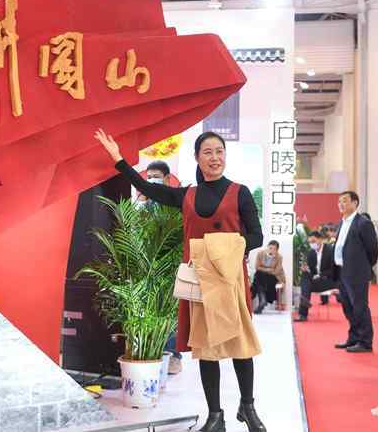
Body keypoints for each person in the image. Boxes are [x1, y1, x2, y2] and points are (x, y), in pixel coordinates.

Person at [94, 129, 266, 432]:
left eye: (219, 151)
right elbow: (146, 187)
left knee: (240, 345)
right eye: (208, 152)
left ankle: (247, 406)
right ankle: (216, 416)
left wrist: (222, 248)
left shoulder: (240, 192)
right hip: (199, 281)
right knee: (206, 349)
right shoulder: (187, 195)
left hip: (230, 281)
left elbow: (256, 236)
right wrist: (118, 159)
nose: (215, 157)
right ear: (197, 158)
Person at [139, 160, 185, 374]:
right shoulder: (145, 205)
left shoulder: (177, 202)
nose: (151, 181)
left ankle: (173, 355)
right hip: (150, 265)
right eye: (148, 177)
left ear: (167, 179)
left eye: (155, 176)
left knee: (171, 311)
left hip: (172, 264)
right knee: (152, 309)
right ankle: (154, 353)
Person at [333, 191, 378, 353]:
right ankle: (353, 338)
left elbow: (373, 249)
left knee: (360, 307)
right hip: (342, 271)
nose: (341, 204)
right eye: (339, 201)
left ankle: (365, 342)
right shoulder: (342, 222)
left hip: (357, 273)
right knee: (348, 307)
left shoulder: (363, 223)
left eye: (345, 201)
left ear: (355, 203)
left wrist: (364, 266)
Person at [295, 231, 339, 322]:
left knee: (306, 287)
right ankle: (305, 303)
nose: (312, 244)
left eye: (313, 241)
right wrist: (307, 270)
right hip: (316, 282)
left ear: (320, 239)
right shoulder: (311, 253)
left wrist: (319, 275)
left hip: (329, 281)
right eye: (310, 242)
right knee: (305, 276)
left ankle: (303, 313)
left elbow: (334, 270)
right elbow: (312, 271)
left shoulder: (330, 250)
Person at [252, 240, 285, 314]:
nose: (271, 250)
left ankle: (262, 300)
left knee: (259, 277)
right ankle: (262, 300)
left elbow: (276, 271)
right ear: (267, 247)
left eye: (274, 249)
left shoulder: (279, 257)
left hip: (273, 277)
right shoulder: (260, 254)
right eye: (270, 248)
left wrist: (264, 269)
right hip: (261, 276)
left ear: (277, 250)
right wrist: (269, 269)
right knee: (259, 274)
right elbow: (257, 267)